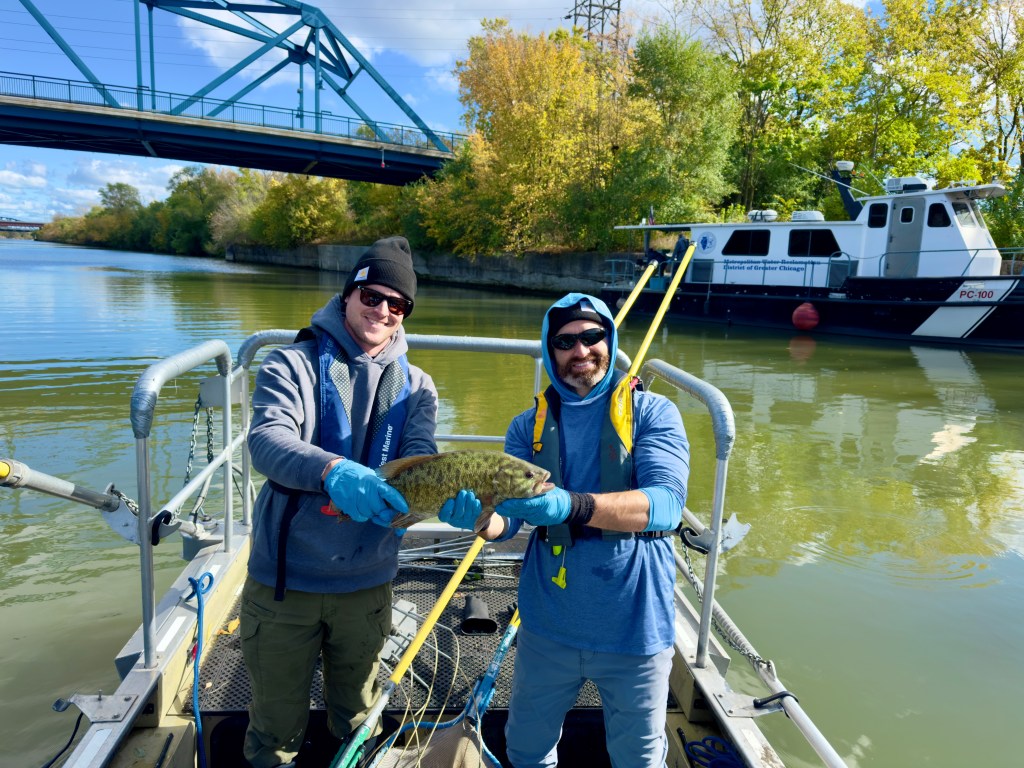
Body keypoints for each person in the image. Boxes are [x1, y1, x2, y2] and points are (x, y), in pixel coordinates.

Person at [440, 292, 689, 767]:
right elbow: (506, 518)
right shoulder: (525, 426)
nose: (581, 351)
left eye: (593, 337)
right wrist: (479, 520)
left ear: (609, 341)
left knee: (638, 759)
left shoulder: (654, 413)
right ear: (550, 350)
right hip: (547, 623)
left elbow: (666, 505)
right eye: (565, 341)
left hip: (635, 624)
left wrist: (570, 505)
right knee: (527, 750)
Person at [240, 236, 439, 768]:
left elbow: (421, 457)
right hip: (285, 581)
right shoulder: (291, 364)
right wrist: (332, 470)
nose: (382, 311)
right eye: (372, 296)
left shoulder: (418, 386)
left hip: (368, 582)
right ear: (348, 293)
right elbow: (267, 442)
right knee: (275, 728)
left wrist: (453, 499)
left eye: (397, 305)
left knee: (358, 720)